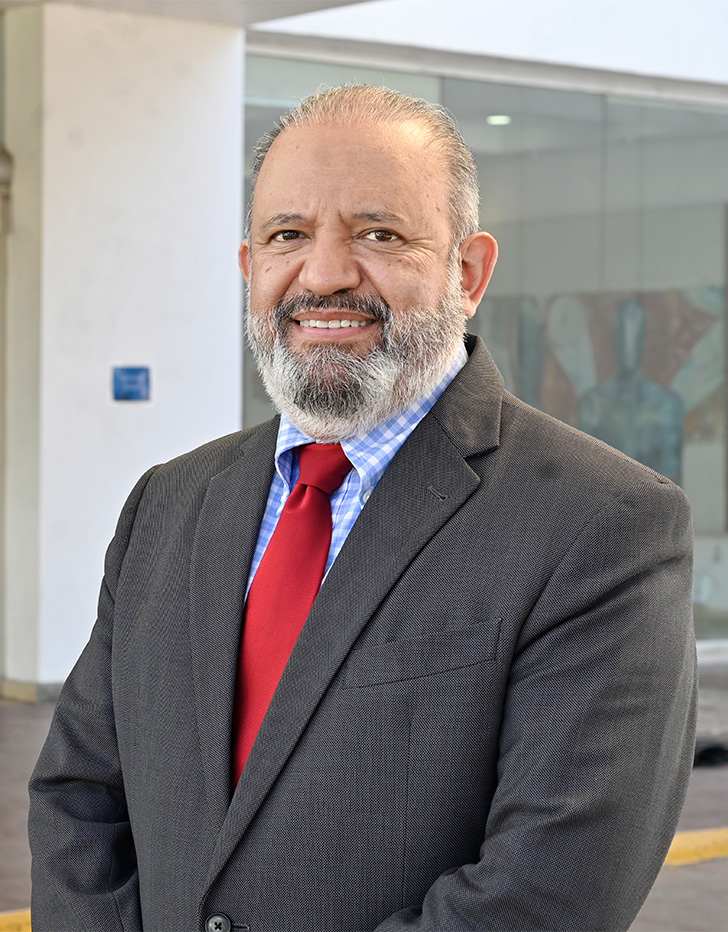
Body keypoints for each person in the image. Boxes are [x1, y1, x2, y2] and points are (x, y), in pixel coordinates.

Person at [28, 84, 696, 932]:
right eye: (287, 236)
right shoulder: (170, 503)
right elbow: (80, 799)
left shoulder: (604, 526)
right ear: (250, 269)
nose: (327, 273)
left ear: (468, 272)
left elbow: (548, 892)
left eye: (379, 234)